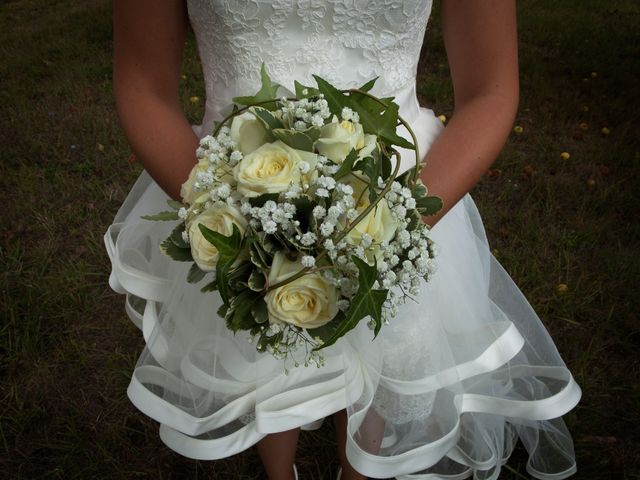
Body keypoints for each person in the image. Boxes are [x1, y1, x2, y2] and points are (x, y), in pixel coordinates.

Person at [107, 1, 581, 479]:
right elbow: (143, 85)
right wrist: (232, 218)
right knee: (259, 347)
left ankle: (359, 470)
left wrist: (394, 224)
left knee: (387, 351)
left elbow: (490, 90)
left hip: (405, 185)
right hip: (236, 182)